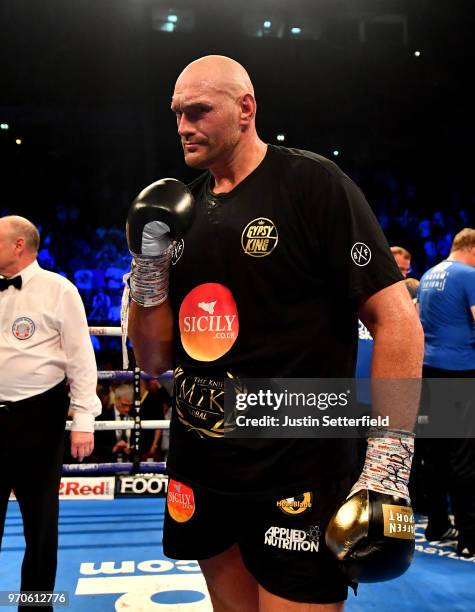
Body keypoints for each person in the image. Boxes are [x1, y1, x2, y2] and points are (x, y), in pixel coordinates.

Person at [127, 56, 424, 610]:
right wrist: (148, 268)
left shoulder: (311, 184)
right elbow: (152, 360)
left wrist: (387, 463)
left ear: (246, 109)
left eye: (198, 111)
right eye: (176, 114)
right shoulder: (181, 211)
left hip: (300, 462)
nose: (183, 127)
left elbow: (398, 320)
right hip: (205, 462)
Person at [0, 215, 101, 608]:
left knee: (40, 527)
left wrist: (83, 421)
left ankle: (37, 606)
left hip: (37, 420)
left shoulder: (59, 290)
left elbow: (81, 360)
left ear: (18, 246)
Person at [417, 227, 475, 557]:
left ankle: (437, 524)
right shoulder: (468, 276)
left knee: (435, 454)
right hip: (462, 374)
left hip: (430, 371)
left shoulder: (428, 275)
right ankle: (469, 536)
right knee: (465, 456)